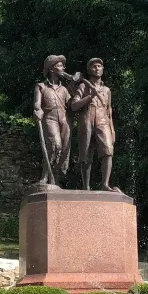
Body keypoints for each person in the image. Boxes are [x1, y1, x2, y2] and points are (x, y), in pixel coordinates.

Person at [70, 57, 119, 192]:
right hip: (86, 121)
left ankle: (105, 184)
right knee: (86, 154)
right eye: (94, 66)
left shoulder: (107, 90)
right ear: (89, 70)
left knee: (108, 152)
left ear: (103, 69)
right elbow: (74, 106)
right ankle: (86, 186)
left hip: (103, 122)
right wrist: (90, 96)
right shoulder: (83, 86)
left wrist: (112, 130)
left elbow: (109, 111)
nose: (97, 68)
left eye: (99, 66)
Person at [33, 55, 72, 186]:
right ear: (51, 69)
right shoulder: (41, 86)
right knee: (55, 146)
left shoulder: (65, 89)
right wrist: (38, 110)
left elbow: (72, 105)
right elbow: (37, 104)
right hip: (50, 118)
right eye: (60, 66)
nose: (63, 68)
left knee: (64, 150)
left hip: (64, 120)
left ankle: (54, 176)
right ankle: (45, 177)